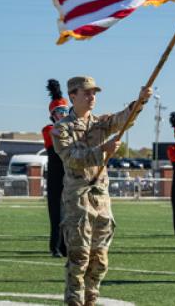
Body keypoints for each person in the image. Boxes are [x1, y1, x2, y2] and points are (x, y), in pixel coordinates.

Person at [52, 76, 152, 306]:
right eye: (86, 93)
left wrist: (140, 101)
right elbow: (71, 158)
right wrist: (103, 151)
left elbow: (122, 119)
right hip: (78, 200)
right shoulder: (61, 128)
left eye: (94, 93)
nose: (91, 97)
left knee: (100, 260)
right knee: (79, 258)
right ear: (72, 96)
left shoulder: (100, 123)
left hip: (101, 199)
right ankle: (74, 301)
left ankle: (91, 299)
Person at [41, 79, 69, 257]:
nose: (63, 114)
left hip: (70, 173)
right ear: (53, 114)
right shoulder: (48, 128)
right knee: (56, 210)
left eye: (65, 111)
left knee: (70, 211)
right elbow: (57, 133)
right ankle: (56, 246)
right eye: (59, 111)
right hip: (55, 175)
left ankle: (67, 246)